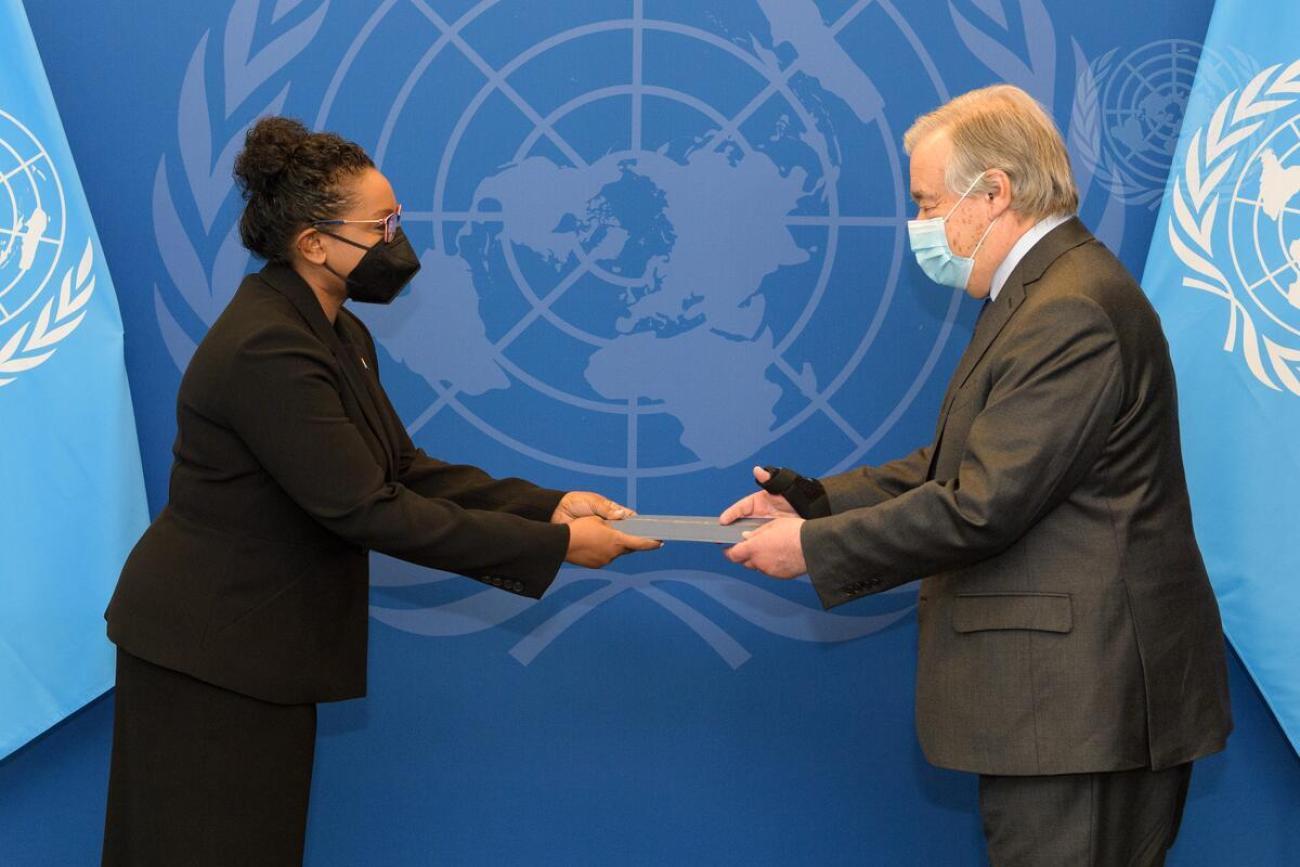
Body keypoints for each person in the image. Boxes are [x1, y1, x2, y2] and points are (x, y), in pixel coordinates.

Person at [101, 116, 659, 866]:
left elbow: (401, 467)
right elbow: (368, 508)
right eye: (382, 224)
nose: (398, 239)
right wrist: (556, 547)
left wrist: (547, 504)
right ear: (314, 244)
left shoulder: (337, 332)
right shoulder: (269, 346)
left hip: (254, 650)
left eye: (398, 218)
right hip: (210, 655)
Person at [720, 85, 1232, 866]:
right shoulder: (1040, 293)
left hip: (1081, 713)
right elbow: (953, 468)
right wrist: (817, 504)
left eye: (928, 203)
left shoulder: (1072, 309)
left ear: (995, 191)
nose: (919, 226)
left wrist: (815, 547)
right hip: (1059, 712)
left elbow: (984, 506)